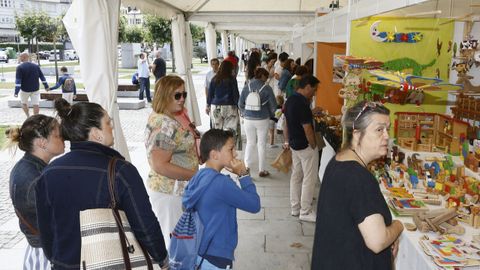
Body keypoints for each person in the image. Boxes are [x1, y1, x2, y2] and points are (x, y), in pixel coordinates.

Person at [35, 99, 168, 269]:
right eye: (107, 123)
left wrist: (58, 259)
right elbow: (145, 225)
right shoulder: (121, 171)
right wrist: (161, 258)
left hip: (64, 264)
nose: (112, 127)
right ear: (96, 134)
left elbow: (46, 231)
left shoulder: (49, 172)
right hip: (111, 262)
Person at [311, 100, 404, 270]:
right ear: (356, 134)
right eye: (379, 130)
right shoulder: (358, 178)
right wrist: (398, 226)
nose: (386, 136)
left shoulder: (339, 160)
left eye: (387, 129)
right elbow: (378, 241)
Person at [183, 129, 261, 269]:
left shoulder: (198, 176)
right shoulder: (222, 184)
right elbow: (254, 205)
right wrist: (243, 175)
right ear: (214, 154)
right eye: (231, 149)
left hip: (200, 249)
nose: (236, 153)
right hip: (217, 255)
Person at [145, 75, 199, 248]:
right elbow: (159, 164)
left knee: (178, 242)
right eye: (177, 95)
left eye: (184, 94)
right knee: (175, 244)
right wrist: (195, 175)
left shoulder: (169, 116)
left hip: (174, 191)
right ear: (164, 95)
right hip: (169, 193)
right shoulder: (165, 124)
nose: (182, 99)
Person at [6, 115, 64, 270]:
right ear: (42, 142)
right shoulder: (34, 178)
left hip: (41, 252)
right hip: (46, 257)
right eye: (58, 135)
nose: (63, 138)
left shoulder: (29, 167)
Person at [283, 75, 320, 222]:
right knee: (309, 179)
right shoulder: (303, 103)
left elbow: (286, 122)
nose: (315, 93)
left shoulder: (291, 100)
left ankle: (295, 208)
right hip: (305, 145)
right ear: (307, 87)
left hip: (294, 144)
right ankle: (305, 211)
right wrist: (313, 145)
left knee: (296, 176)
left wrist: (287, 141)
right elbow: (307, 128)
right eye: (314, 89)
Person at [238, 68, 277, 177]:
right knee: (261, 144)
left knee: (250, 143)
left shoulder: (247, 86)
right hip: (262, 119)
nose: (267, 79)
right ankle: (262, 170)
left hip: (248, 119)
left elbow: (240, 103)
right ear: (262, 76)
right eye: (267, 76)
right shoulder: (267, 88)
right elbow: (273, 106)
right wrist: (270, 114)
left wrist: (245, 113)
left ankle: (246, 168)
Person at [207, 61, 240, 140]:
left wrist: (208, 105)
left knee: (217, 131)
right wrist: (239, 106)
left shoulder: (214, 79)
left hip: (215, 106)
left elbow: (210, 94)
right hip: (230, 106)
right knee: (231, 131)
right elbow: (235, 94)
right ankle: (229, 148)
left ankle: (217, 148)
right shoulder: (232, 79)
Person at [14, 52, 50, 117]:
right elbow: (42, 77)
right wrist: (46, 86)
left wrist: (16, 92)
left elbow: (18, 81)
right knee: (36, 104)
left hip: (25, 89)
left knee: (24, 103)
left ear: (23, 57)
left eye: (20, 57)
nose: (19, 58)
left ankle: (28, 116)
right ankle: (35, 118)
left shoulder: (19, 67)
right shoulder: (36, 66)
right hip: (35, 88)